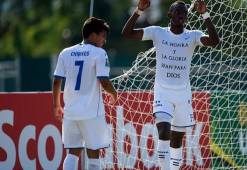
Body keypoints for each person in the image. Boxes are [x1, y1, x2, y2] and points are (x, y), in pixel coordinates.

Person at [122, 0, 219, 169]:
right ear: (170, 14)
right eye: (178, 11)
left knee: (176, 140)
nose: (181, 14)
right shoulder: (158, 32)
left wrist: (205, 14)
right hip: (163, 93)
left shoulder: (193, 35)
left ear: (187, 18)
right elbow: (127, 33)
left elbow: (214, 41)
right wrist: (138, 11)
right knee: (164, 131)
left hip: (183, 95)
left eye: (184, 13)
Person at [52, 17, 117, 170]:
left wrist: (56, 105)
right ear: (93, 35)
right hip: (91, 113)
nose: (104, 40)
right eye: (102, 35)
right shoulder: (99, 53)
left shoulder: (65, 52)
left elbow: (56, 81)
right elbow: (104, 80)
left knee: (72, 152)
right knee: (93, 152)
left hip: (71, 112)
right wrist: (114, 93)